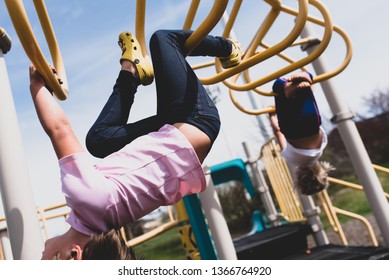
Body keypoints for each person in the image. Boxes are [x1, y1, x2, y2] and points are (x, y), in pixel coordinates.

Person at [29, 30, 243, 259]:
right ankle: (229, 48)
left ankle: (131, 70)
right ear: (74, 255)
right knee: (162, 39)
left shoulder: (102, 224)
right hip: (195, 119)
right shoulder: (86, 199)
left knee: (99, 140)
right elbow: (59, 130)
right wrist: (37, 85)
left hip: (173, 132)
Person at [269, 71, 333, 196]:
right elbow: (278, 133)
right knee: (278, 88)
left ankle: (305, 79)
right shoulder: (292, 159)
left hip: (312, 121)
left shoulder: (319, 151)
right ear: (298, 175)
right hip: (290, 129)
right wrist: (271, 115)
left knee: (305, 84)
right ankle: (285, 87)